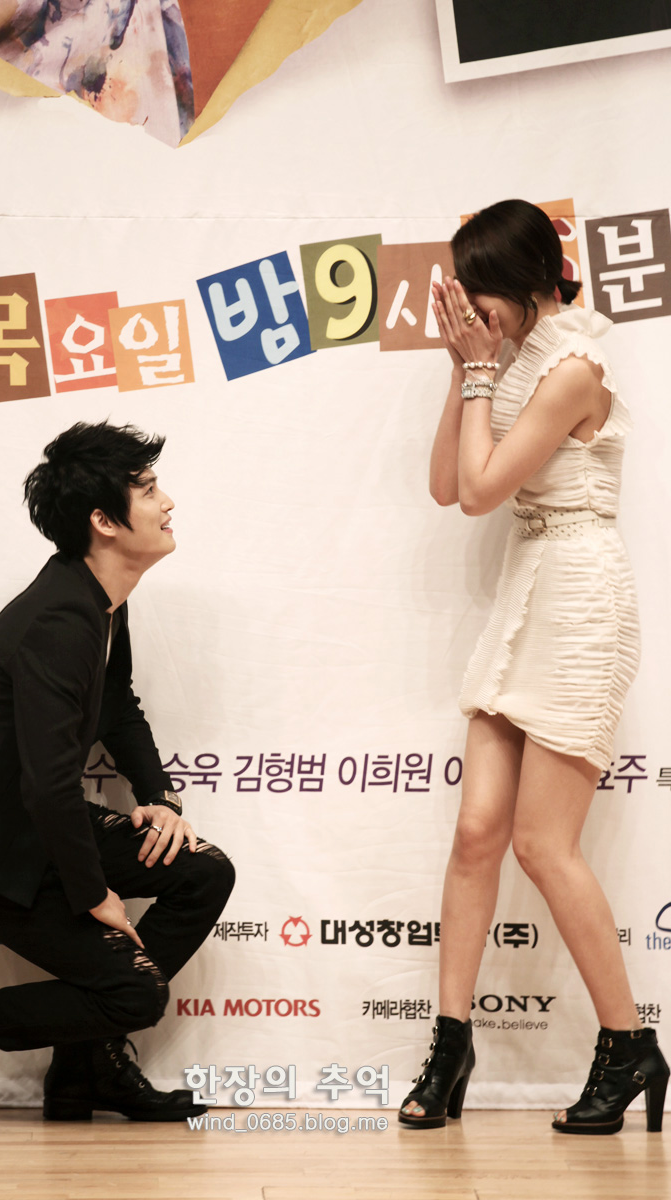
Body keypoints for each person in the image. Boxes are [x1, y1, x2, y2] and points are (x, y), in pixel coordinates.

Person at [0, 420, 235, 1135]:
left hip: (30, 826)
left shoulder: (99, 598)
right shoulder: (60, 620)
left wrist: (159, 798)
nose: (168, 503)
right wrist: (94, 894)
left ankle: (86, 1066)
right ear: (104, 521)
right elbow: (48, 785)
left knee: (201, 872)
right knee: (135, 995)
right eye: (148, 490)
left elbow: (116, 704)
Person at [398, 200, 668, 1135]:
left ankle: (629, 1044)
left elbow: (479, 493)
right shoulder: (506, 362)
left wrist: (479, 372)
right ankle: (450, 1047)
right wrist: (463, 370)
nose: (473, 312)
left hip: (582, 601)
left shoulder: (575, 366)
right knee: (478, 833)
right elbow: (446, 484)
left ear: (524, 283)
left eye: (481, 295)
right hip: (528, 590)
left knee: (543, 844)